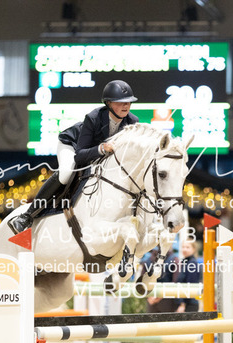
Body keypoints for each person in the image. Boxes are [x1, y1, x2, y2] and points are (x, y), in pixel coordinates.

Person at [8, 80, 139, 234]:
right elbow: (80, 155)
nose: (126, 105)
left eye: (128, 102)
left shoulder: (133, 121)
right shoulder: (93, 118)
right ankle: (26, 216)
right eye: (120, 102)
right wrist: (101, 148)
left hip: (97, 155)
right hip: (72, 145)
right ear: (108, 103)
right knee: (66, 173)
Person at [172, 240, 202, 343]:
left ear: (193, 249)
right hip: (185, 303)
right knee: (181, 335)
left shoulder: (192, 264)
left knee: (188, 337)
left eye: (188, 247)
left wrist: (182, 304)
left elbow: (190, 287)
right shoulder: (185, 262)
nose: (184, 249)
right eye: (183, 247)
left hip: (189, 304)